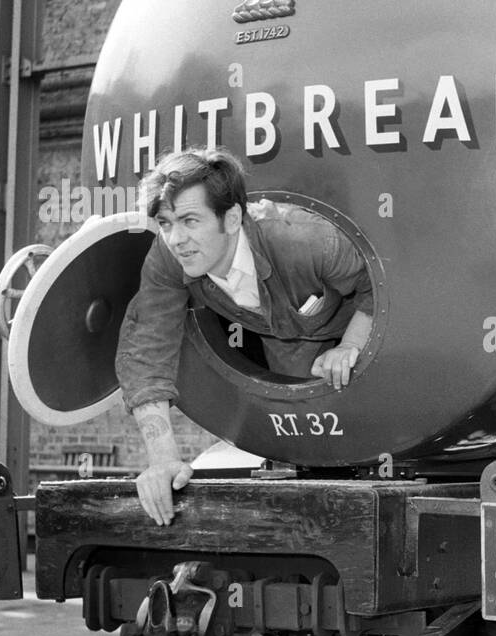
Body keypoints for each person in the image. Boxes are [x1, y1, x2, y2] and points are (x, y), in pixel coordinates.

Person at [116, 147, 373, 525]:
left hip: (357, 320)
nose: (176, 239)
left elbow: (378, 287)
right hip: (287, 342)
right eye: (166, 223)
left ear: (232, 217)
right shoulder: (169, 258)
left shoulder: (303, 240)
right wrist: (162, 459)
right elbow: (147, 348)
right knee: (306, 453)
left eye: (190, 220)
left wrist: (351, 345)